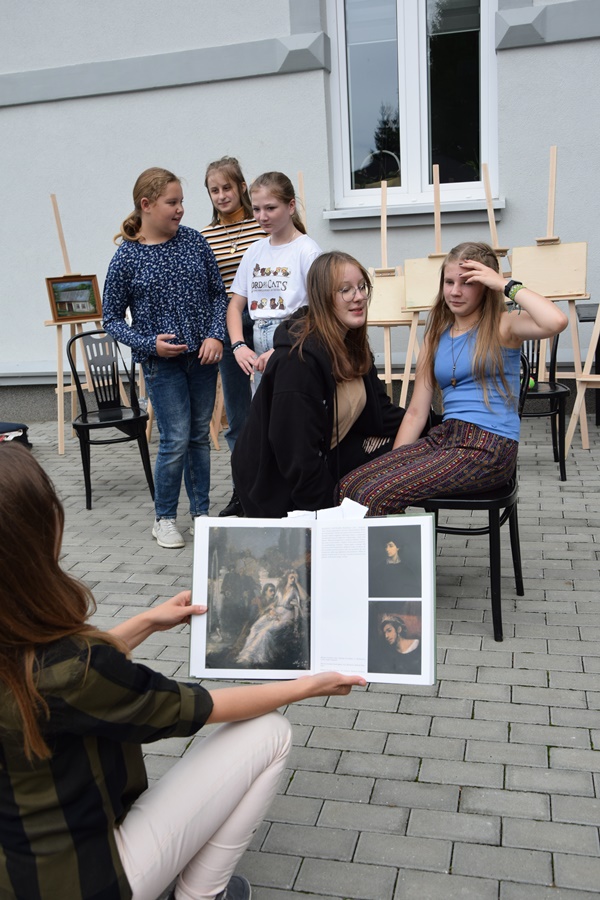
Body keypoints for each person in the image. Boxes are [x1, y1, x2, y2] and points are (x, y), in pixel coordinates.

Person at [0, 443, 365, 900]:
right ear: (41, 534)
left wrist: (147, 622)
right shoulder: (75, 670)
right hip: (83, 882)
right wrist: (307, 686)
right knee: (270, 733)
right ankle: (199, 895)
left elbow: (59, 673)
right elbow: (198, 707)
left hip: (17, 870)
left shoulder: (35, 652)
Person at [338, 241, 568, 516]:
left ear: (486, 286)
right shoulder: (436, 335)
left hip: (490, 447)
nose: (455, 291)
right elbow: (416, 413)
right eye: (449, 282)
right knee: (349, 485)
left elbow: (556, 321)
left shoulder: (503, 325)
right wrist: (395, 463)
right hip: (446, 437)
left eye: (467, 283)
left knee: (373, 493)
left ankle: (394, 544)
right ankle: (394, 542)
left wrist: (505, 284)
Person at [102, 167, 228, 549]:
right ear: (146, 204)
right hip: (161, 365)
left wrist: (215, 335)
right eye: (172, 202)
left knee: (198, 437)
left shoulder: (194, 241)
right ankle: (165, 519)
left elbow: (218, 295)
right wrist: (147, 345)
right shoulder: (127, 257)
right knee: (175, 439)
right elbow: (111, 318)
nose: (180, 209)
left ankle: (201, 514)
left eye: (181, 202)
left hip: (202, 359)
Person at [231, 251, 406, 517]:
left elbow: (381, 415)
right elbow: (295, 454)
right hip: (278, 489)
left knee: (406, 449)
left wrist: (438, 424)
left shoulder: (351, 344)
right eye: (345, 290)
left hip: (323, 459)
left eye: (362, 287)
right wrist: (329, 515)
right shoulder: (298, 361)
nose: (359, 297)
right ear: (322, 297)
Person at [201, 157, 266, 517]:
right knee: (239, 416)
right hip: (230, 330)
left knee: (272, 410)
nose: (222, 195)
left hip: (266, 324)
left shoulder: (262, 224)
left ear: (242, 187)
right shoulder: (205, 236)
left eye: (228, 187)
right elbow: (210, 290)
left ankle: (276, 486)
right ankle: (243, 491)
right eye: (214, 190)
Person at [226, 171, 322, 395]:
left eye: (270, 208)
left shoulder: (307, 251)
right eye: (256, 209)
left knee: (291, 407)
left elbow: (320, 311)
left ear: (290, 206)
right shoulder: (254, 251)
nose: (262, 216)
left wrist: (284, 346)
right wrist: (239, 345)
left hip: (294, 342)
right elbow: (235, 306)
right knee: (264, 409)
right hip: (259, 343)